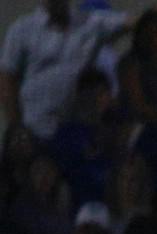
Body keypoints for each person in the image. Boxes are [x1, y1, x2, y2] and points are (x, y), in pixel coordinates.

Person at [0, 1, 134, 141]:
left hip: (77, 131)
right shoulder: (22, 30)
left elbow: (135, 22)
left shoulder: (90, 21)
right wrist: (17, 128)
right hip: (36, 130)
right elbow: (7, 80)